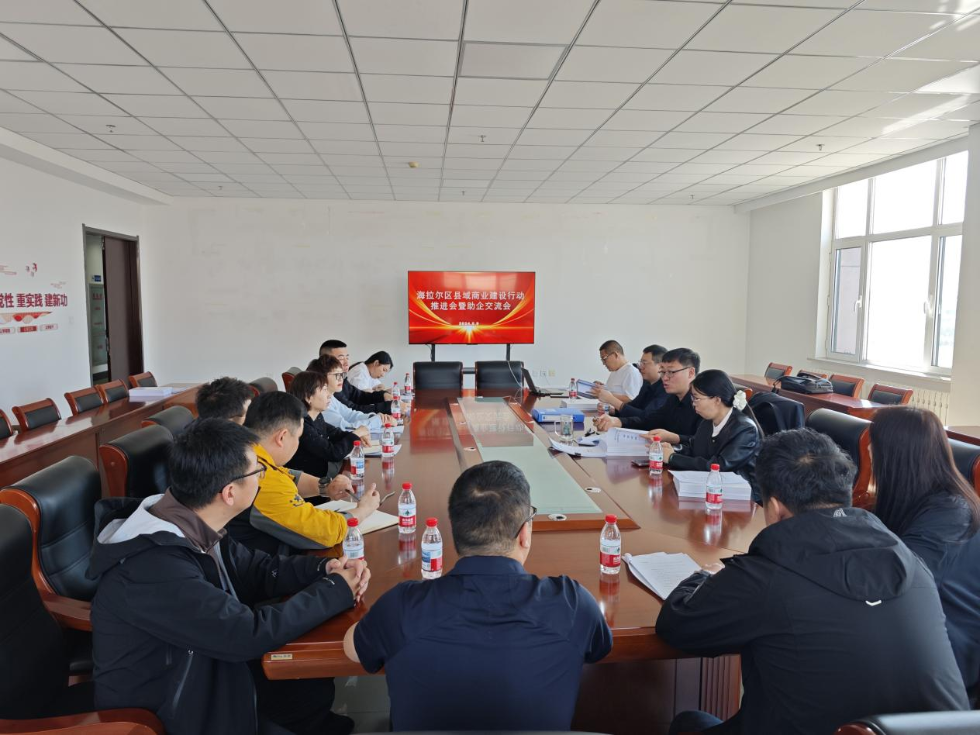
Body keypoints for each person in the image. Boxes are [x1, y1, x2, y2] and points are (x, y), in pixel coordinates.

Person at [658, 428, 969, 735]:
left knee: (689, 723)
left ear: (775, 508)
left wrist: (704, 575)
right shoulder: (913, 565)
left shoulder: (766, 574)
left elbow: (678, 626)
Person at [89, 419, 371, 735]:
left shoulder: (191, 518)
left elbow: (257, 569)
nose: (263, 477)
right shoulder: (153, 566)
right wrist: (335, 591)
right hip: (174, 710)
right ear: (229, 492)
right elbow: (246, 634)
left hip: (210, 662)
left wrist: (324, 570)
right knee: (298, 674)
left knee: (308, 683)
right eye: (258, 471)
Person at [343, 460, 612, 731]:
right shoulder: (572, 604)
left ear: (455, 532)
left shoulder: (401, 607)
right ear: (524, 535)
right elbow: (599, 649)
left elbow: (352, 649)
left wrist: (379, 619)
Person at [870, 406, 980, 701]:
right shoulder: (923, 500)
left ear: (896, 455)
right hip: (920, 636)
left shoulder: (950, 513)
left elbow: (899, 583)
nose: (868, 451)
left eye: (874, 444)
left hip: (950, 659)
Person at [230, 391, 380, 556]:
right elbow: (325, 531)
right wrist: (363, 510)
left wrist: (326, 487)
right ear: (282, 437)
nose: (297, 444)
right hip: (267, 564)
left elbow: (285, 475)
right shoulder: (259, 478)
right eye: (298, 438)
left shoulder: (244, 452)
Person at [662, 369, 762, 501]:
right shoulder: (707, 422)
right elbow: (694, 447)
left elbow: (719, 466)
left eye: (696, 398)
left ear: (717, 400)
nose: (693, 403)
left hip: (742, 498)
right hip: (712, 489)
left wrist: (673, 458)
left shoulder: (745, 429)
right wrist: (671, 449)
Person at [595, 347, 701, 444]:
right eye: (663, 372)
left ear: (691, 373)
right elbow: (649, 421)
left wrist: (675, 438)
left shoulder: (702, 402)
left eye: (671, 372)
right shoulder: (673, 399)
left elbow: (703, 443)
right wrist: (617, 421)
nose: (664, 378)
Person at [287, 369, 366, 481]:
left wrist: (357, 436)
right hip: (313, 482)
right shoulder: (302, 425)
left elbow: (335, 433)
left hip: (326, 472)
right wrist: (356, 434)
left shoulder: (317, 416)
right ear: (308, 397)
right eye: (324, 390)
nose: (329, 395)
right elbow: (333, 453)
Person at [307, 356, 384, 434]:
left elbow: (350, 415)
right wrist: (376, 421)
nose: (341, 379)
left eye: (342, 374)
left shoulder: (331, 397)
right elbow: (346, 429)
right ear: (321, 378)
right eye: (337, 375)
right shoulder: (320, 403)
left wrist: (372, 417)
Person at [319, 340, 393, 414]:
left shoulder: (342, 379)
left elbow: (359, 396)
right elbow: (351, 410)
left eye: (347, 358)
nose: (347, 363)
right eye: (341, 359)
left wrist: (383, 395)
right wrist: (388, 407)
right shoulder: (328, 385)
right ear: (325, 361)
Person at [596, 344, 668, 420]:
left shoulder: (666, 389)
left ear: (660, 366)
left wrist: (611, 399)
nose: (640, 367)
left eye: (644, 363)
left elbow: (646, 417)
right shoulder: (646, 384)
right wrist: (613, 411)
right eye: (641, 362)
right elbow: (634, 406)